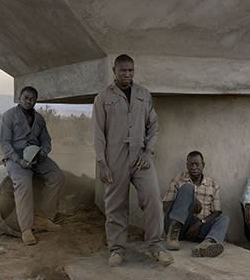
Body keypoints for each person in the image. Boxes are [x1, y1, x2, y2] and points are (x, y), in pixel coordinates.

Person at [93, 54, 173, 267]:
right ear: (114, 71)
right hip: (115, 158)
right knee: (115, 206)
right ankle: (117, 249)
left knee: (153, 199)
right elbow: (98, 134)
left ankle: (156, 246)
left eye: (130, 70)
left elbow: (153, 126)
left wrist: (149, 152)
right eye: (123, 70)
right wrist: (102, 163)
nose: (127, 74)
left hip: (141, 159)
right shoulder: (102, 98)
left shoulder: (144, 95)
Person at [0, 86, 66, 246]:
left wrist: (44, 151)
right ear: (19, 98)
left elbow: (46, 140)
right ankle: (26, 229)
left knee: (58, 177)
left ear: (36, 100)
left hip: (37, 157)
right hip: (15, 158)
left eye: (32, 99)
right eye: (26, 98)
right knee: (24, 182)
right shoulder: (8, 116)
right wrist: (19, 160)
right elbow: (4, 143)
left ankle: (44, 218)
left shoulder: (40, 119)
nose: (29, 101)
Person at [162, 150, 228, 258]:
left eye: (197, 164)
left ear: (203, 165)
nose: (193, 167)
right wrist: (187, 204)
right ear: (186, 165)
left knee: (224, 219)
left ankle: (207, 244)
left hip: (200, 227)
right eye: (190, 164)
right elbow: (165, 205)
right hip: (178, 225)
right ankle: (173, 236)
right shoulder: (179, 179)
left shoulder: (213, 184)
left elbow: (217, 212)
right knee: (188, 187)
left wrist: (200, 223)